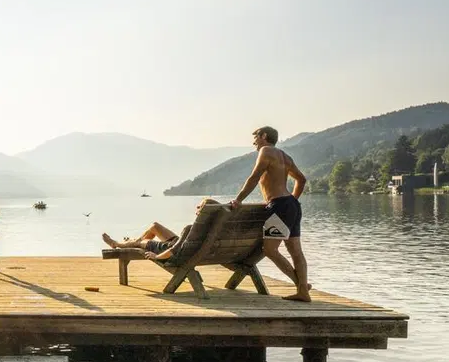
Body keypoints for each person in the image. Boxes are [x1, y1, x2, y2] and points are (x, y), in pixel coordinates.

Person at [231, 125, 310, 301]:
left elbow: (254, 177)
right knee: (296, 251)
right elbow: (302, 180)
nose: (254, 142)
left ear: (264, 136)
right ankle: (303, 289)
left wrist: (238, 200)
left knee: (270, 250)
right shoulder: (285, 156)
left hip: (279, 205)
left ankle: (302, 287)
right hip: (291, 205)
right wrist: (292, 200)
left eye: (256, 137)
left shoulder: (266, 151)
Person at [101, 198, 220, 262]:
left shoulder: (191, 229)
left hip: (172, 251)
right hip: (181, 245)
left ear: (206, 211)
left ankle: (117, 244)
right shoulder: (213, 228)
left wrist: (156, 257)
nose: (196, 207)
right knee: (155, 226)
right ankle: (132, 241)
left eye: (200, 206)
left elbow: (173, 250)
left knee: (139, 243)